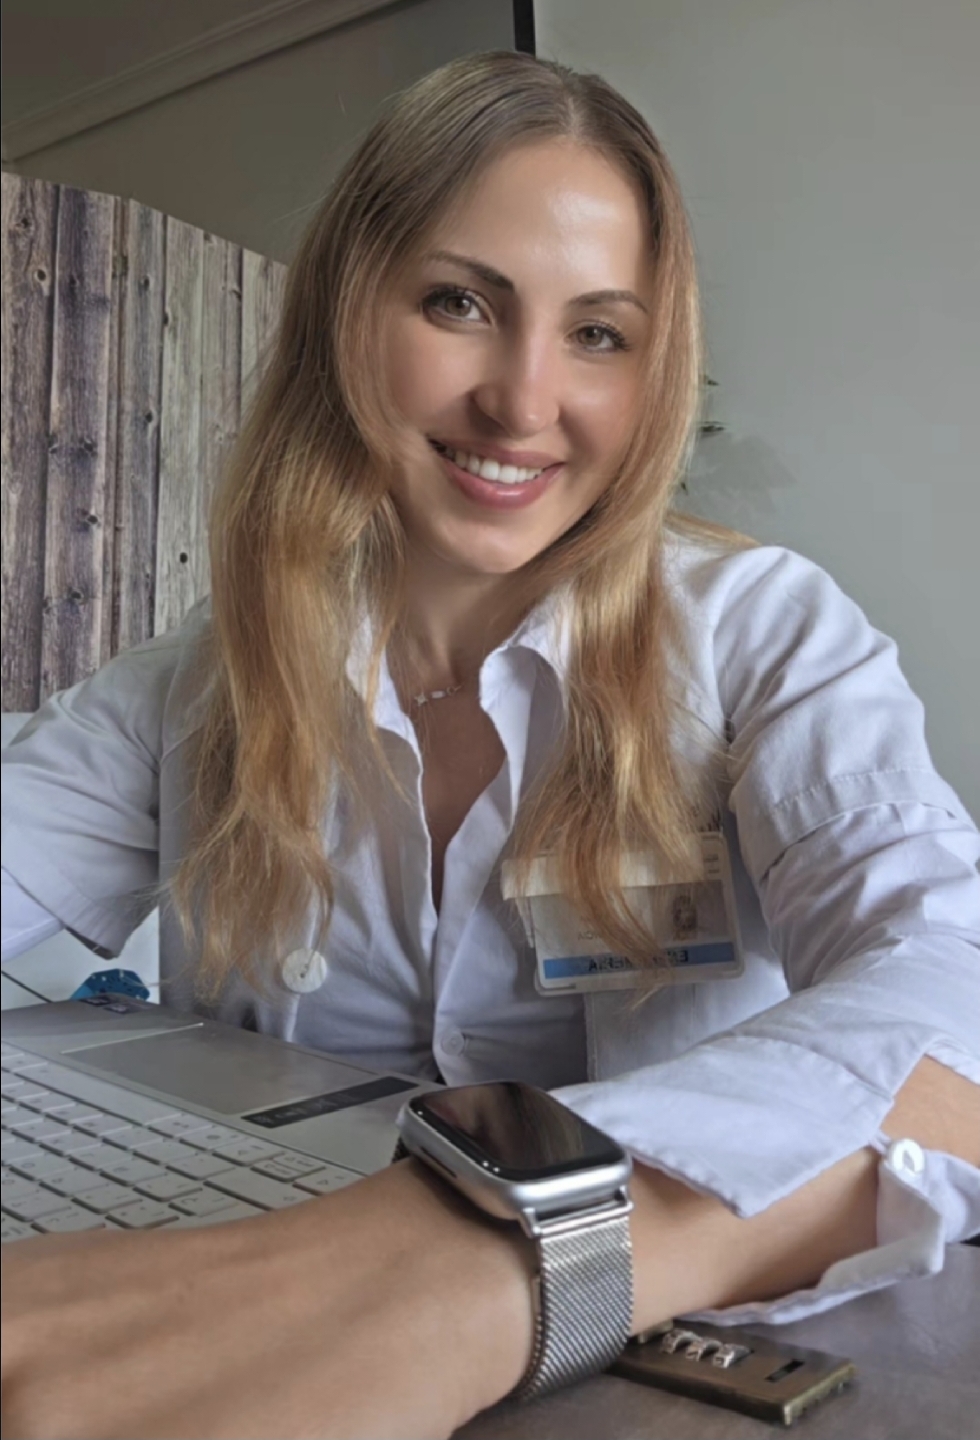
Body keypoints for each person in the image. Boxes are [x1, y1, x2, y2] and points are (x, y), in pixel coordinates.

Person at [2, 50, 978, 1440]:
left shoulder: (764, 632)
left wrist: (481, 1253)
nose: (524, 403)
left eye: (599, 334)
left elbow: (950, 993)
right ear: (345, 317)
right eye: (460, 303)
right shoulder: (207, 680)